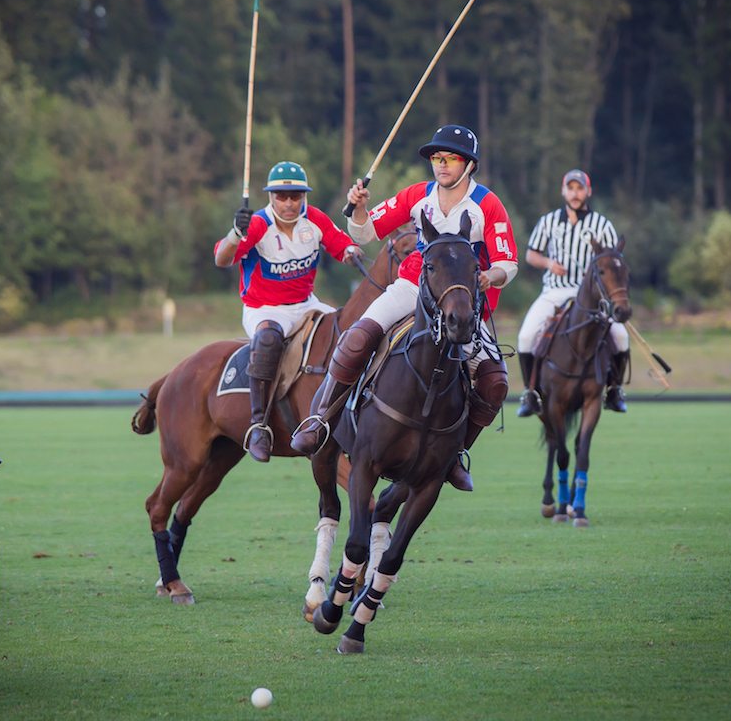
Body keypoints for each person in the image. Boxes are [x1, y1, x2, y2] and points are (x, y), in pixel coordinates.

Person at [289, 125, 518, 492]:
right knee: (355, 338)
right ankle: (319, 421)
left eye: (450, 159)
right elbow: (366, 233)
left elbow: (509, 262)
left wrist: (488, 277)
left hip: (462, 304)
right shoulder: (416, 195)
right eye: (437, 159)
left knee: (494, 381)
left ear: (469, 164)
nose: (441, 166)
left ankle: (456, 453)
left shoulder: (487, 204)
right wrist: (360, 211)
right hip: (412, 286)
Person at [214, 161, 360, 463]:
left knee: (351, 334)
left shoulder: (315, 219)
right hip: (264, 307)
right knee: (267, 340)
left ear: (304, 197)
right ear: (271, 197)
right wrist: (234, 233)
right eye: (282, 196)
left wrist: (351, 253)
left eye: (296, 196)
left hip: (307, 304)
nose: (290, 203)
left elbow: (341, 247)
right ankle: (258, 426)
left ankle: (354, 410)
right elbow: (222, 260)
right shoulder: (256, 224)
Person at [515, 168, 629, 417]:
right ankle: (531, 393)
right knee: (525, 337)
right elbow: (531, 254)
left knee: (621, 338)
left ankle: (614, 390)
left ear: (588, 191)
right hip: (554, 292)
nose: (575, 194)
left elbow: (613, 262)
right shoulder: (548, 221)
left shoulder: (602, 225)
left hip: (591, 298)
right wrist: (548, 264)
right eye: (571, 188)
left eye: (580, 189)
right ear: (563, 191)